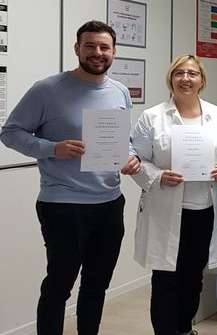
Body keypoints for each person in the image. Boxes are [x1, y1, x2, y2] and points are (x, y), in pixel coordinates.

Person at [0, 20, 140, 335]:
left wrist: (131, 157)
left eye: (104, 47)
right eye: (90, 45)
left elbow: (124, 140)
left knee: (97, 285)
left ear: (114, 52)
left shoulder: (119, 91)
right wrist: (52, 148)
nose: (97, 52)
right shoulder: (47, 89)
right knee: (59, 286)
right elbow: (10, 133)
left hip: (109, 203)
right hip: (63, 205)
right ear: (77, 48)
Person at [130, 54, 217, 335]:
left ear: (202, 80)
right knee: (165, 279)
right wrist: (158, 176)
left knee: (193, 278)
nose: (185, 79)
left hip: (205, 211)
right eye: (179, 73)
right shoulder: (152, 117)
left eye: (192, 73)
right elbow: (136, 159)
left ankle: (183, 329)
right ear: (171, 79)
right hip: (166, 211)